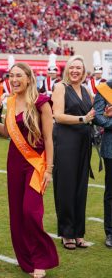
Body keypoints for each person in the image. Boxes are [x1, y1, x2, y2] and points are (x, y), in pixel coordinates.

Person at [0, 63, 58, 278]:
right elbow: (6, 133)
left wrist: (49, 169)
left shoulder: (41, 102)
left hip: (36, 163)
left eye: (19, 75)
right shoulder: (10, 102)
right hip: (14, 162)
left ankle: (41, 259)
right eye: (11, 76)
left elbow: (48, 138)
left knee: (31, 212)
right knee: (17, 214)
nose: (14, 79)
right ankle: (26, 259)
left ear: (29, 78)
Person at [52, 55, 95, 250]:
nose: (75, 71)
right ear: (67, 70)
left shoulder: (86, 90)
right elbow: (58, 115)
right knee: (66, 187)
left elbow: (96, 112)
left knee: (80, 188)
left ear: (84, 71)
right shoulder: (61, 87)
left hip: (83, 143)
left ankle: (78, 232)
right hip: (66, 142)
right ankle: (67, 233)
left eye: (79, 68)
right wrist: (82, 119)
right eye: (72, 67)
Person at [93, 79, 112, 248]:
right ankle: (110, 232)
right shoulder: (105, 89)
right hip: (111, 148)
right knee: (111, 192)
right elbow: (97, 116)